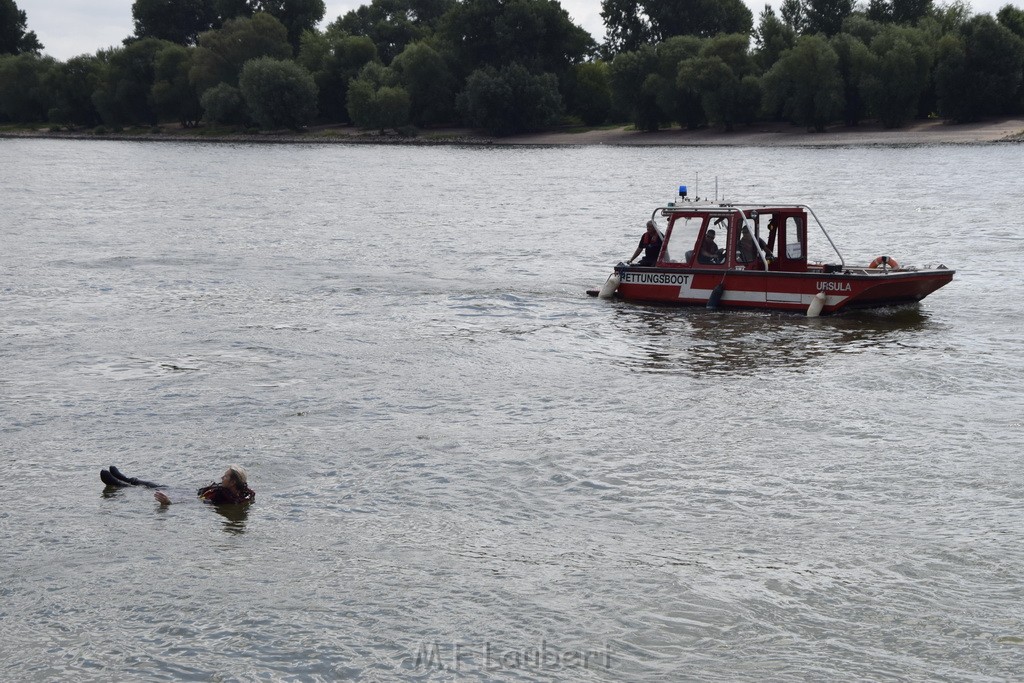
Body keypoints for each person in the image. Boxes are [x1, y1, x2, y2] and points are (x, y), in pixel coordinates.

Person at [155, 465, 255, 505]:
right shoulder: (217, 494)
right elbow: (195, 501)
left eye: (225, 477)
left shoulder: (246, 495)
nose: (221, 478)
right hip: (197, 494)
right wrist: (170, 502)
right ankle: (138, 481)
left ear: (233, 482)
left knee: (166, 488)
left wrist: (168, 502)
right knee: (163, 487)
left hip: (199, 496)